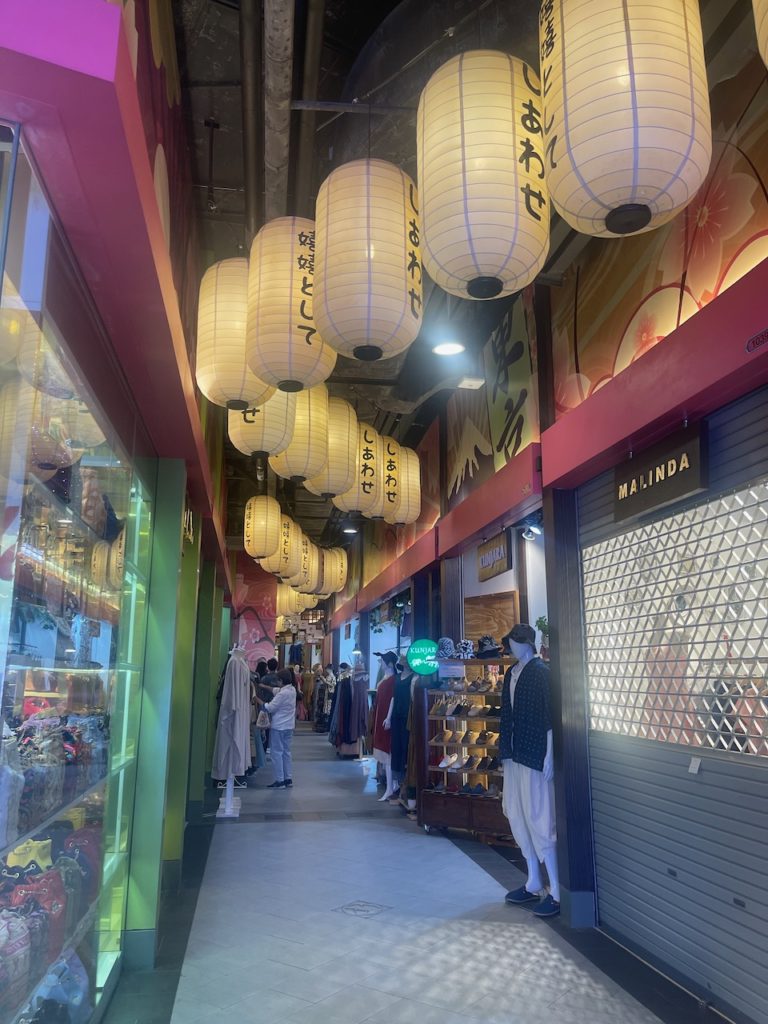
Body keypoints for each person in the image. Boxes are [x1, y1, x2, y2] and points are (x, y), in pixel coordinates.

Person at [499, 623, 560, 918]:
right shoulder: (511, 674)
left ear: (527, 644)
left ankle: (558, 890)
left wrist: (550, 753)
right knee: (516, 812)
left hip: (535, 753)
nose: (511, 646)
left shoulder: (541, 673)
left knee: (540, 815)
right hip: (513, 754)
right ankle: (533, 879)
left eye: (515, 641)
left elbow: (550, 715)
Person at [254, 667, 297, 789]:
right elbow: (275, 690)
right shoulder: (292, 690)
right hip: (289, 726)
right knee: (286, 752)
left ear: (281, 681)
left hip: (279, 726)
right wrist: (263, 686)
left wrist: (256, 699)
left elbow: (269, 708)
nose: (276, 683)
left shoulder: (283, 694)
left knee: (276, 753)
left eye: (278, 680)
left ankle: (279, 780)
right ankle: (288, 778)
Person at [371, 651, 399, 801]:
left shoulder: (393, 680)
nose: (380, 664)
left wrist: (388, 718)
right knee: (385, 754)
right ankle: (391, 785)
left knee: (388, 754)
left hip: (386, 720)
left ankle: (391, 787)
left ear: (389, 663)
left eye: (382, 661)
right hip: (380, 718)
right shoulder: (385, 678)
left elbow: (393, 699)